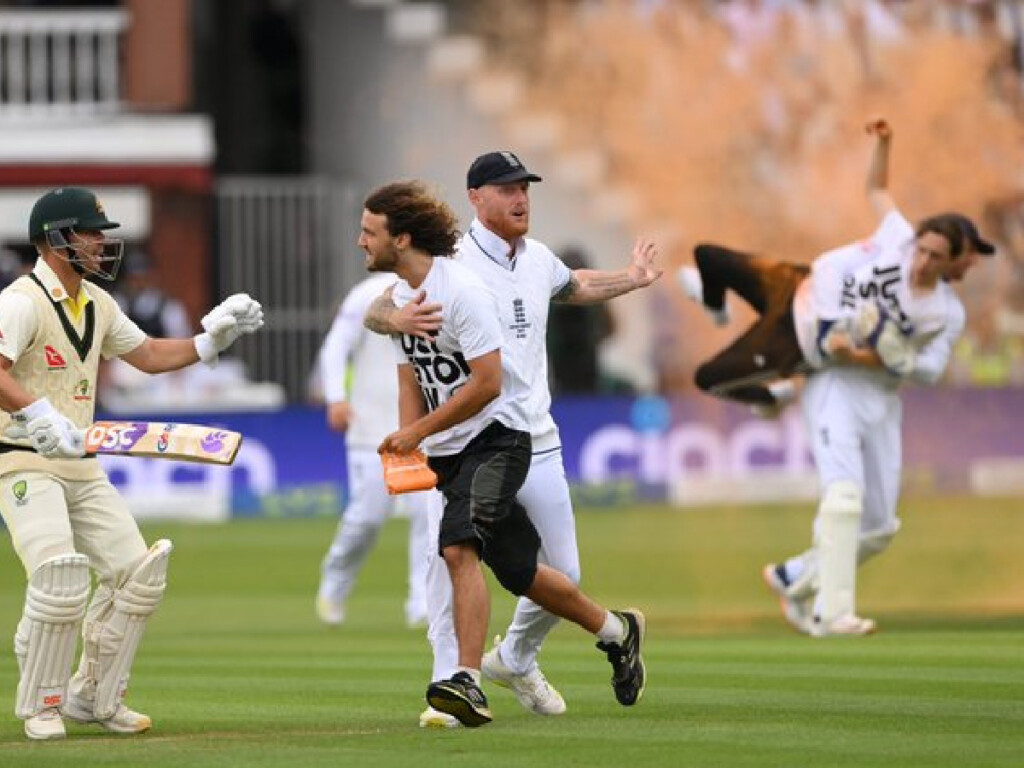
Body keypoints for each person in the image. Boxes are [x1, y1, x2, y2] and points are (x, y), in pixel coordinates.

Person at [364, 152, 660, 728]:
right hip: (462, 438)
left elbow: (575, 287)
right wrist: (392, 323)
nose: (520, 197)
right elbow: (381, 306)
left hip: (532, 436)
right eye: (505, 189)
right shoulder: (449, 258)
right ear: (476, 197)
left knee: (557, 574)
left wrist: (633, 279)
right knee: (450, 557)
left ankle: (516, 658)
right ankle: (449, 691)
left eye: (524, 187)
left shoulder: (538, 258)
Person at [678, 119, 994, 635]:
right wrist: (885, 143)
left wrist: (881, 357)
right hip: (832, 386)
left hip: (880, 397)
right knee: (843, 496)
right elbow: (877, 189)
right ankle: (833, 611)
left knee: (879, 527)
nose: (923, 261)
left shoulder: (944, 313)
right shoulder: (895, 239)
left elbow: (932, 371)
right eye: (923, 249)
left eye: (937, 257)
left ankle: (794, 575)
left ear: (956, 261)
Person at [0, 187, 264, 740]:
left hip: (80, 460)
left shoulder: (96, 301)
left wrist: (210, 340)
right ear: (56, 239)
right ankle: (43, 704)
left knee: (137, 575)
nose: (101, 242)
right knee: (59, 577)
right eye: (90, 232)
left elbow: (145, 356)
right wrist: (37, 412)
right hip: (22, 459)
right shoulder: (20, 301)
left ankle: (92, 697)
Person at [314, 272, 430, 628]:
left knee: (429, 517)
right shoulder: (366, 291)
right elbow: (336, 345)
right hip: (370, 429)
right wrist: (335, 397)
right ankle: (334, 583)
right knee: (367, 519)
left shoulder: (443, 286)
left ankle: (422, 605)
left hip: (422, 429)